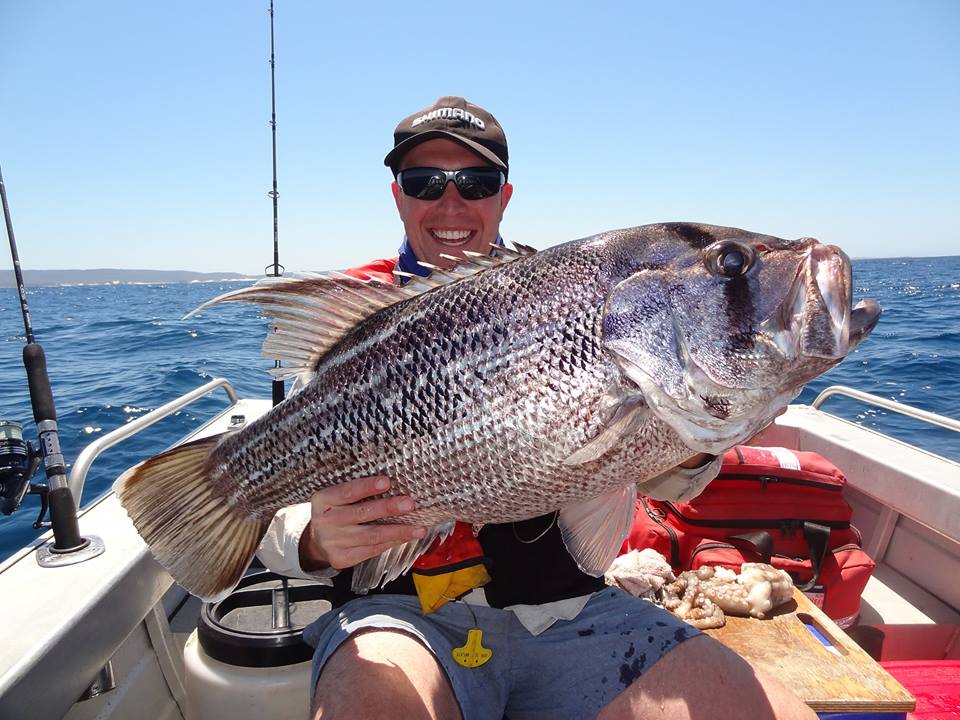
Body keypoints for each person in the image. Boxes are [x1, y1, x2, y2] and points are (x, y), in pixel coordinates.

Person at [256, 96, 816, 720]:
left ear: (504, 196)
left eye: (476, 181)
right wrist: (314, 542)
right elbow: (279, 486)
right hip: (401, 617)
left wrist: (698, 430)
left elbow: (661, 483)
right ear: (398, 197)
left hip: (571, 613)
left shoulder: (567, 295)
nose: (450, 202)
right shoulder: (353, 323)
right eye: (424, 182)